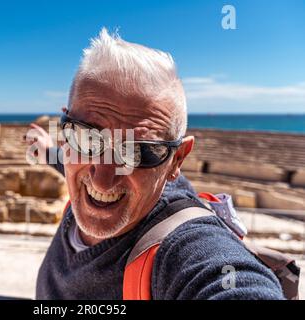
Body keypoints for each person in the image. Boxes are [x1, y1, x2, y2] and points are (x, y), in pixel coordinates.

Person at [28, 29, 284, 300]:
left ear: (177, 160)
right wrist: (47, 153)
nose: (102, 180)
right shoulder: (75, 162)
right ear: (65, 130)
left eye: (138, 153)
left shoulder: (186, 248)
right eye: (86, 138)